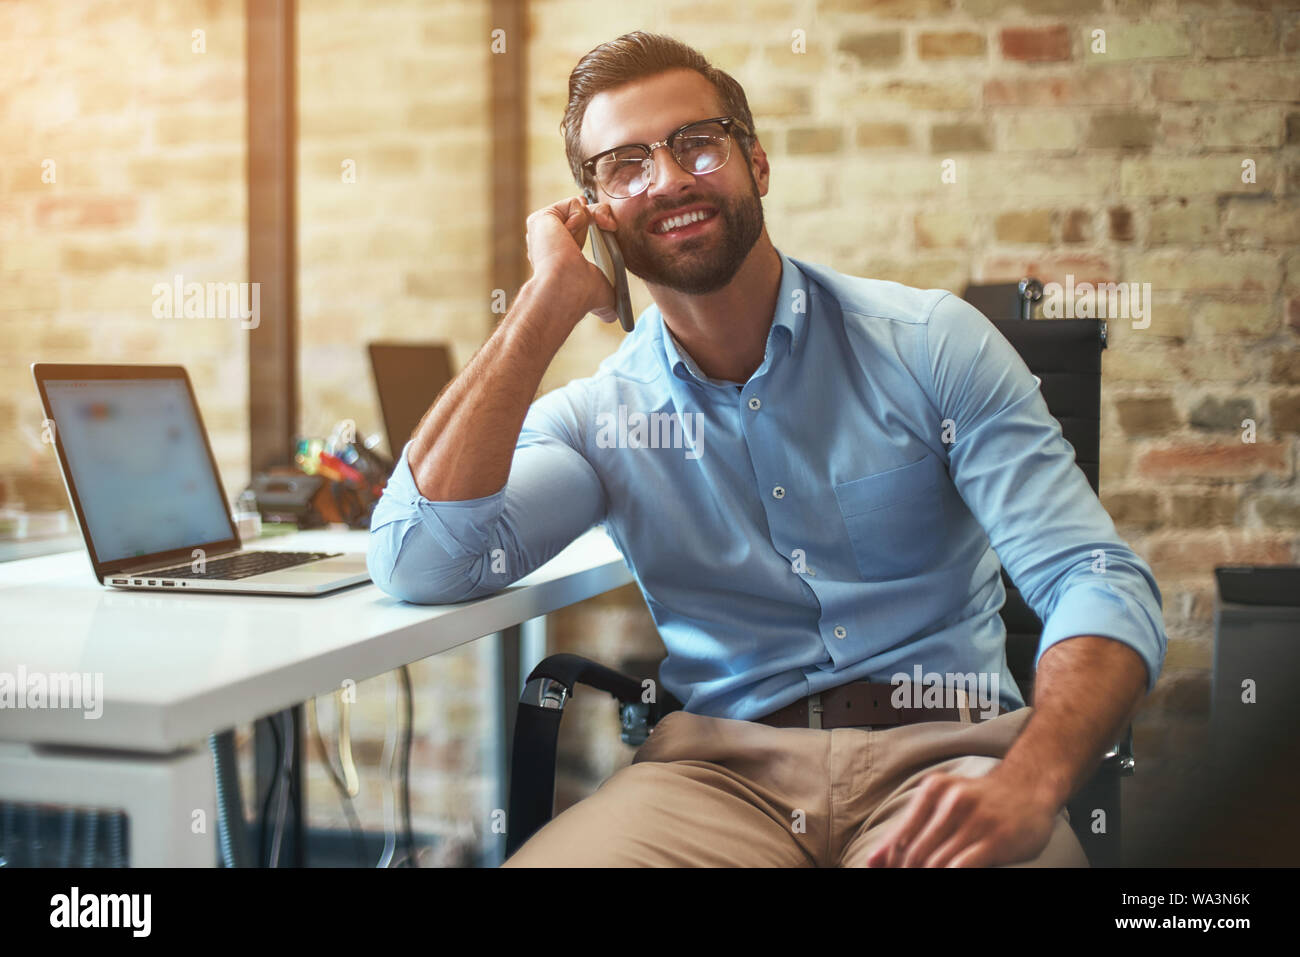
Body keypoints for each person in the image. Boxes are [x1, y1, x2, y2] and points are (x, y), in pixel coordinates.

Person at [367, 31, 1166, 867]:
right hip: (715, 779)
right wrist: (543, 306)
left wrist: (1032, 779)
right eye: (625, 164)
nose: (668, 178)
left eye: (696, 145)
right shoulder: (605, 416)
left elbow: (1095, 577)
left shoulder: (929, 345)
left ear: (757, 163)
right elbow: (419, 559)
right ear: (596, 212)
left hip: (945, 755)